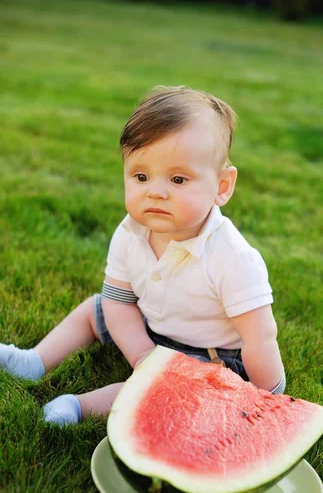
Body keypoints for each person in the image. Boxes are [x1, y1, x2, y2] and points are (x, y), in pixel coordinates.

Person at [0, 86, 285, 425]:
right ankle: (34, 362)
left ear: (222, 186)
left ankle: (78, 406)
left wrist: (270, 398)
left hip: (207, 355)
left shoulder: (233, 258)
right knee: (95, 309)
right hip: (147, 325)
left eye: (178, 179)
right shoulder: (130, 231)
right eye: (141, 176)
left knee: (161, 389)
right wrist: (141, 353)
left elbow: (259, 337)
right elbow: (118, 301)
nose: (156, 191)